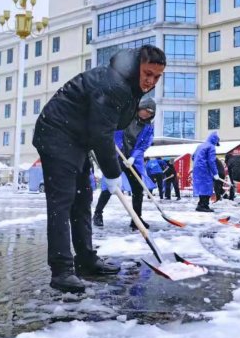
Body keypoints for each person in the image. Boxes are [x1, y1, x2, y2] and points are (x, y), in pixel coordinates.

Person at [32, 45, 166, 293]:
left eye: (157, 76)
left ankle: (85, 259)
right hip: (56, 132)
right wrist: (113, 173)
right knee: (63, 200)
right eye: (147, 73)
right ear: (137, 66)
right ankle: (61, 270)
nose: (151, 81)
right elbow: (102, 134)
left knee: (83, 198)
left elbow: (104, 125)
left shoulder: (130, 85)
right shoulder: (114, 84)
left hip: (77, 136)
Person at [92, 97, 157, 229]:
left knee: (138, 188)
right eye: (146, 110)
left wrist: (133, 157)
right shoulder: (125, 116)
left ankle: (136, 219)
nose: (147, 114)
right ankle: (98, 214)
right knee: (110, 185)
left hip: (132, 159)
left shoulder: (148, 127)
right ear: (140, 107)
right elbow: (113, 130)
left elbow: (144, 144)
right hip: (117, 154)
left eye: (151, 113)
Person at [192, 132, 221, 212]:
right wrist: (215, 173)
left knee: (201, 187)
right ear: (215, 140)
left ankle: (200, 204)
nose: (216, 145)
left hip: (196, 169)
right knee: (207, 187)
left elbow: (193, 157)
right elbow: (211, 161)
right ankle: (204, 206)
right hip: (204, 169)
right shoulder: (211, 147)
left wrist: (198, 164)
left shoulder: (200, 146)